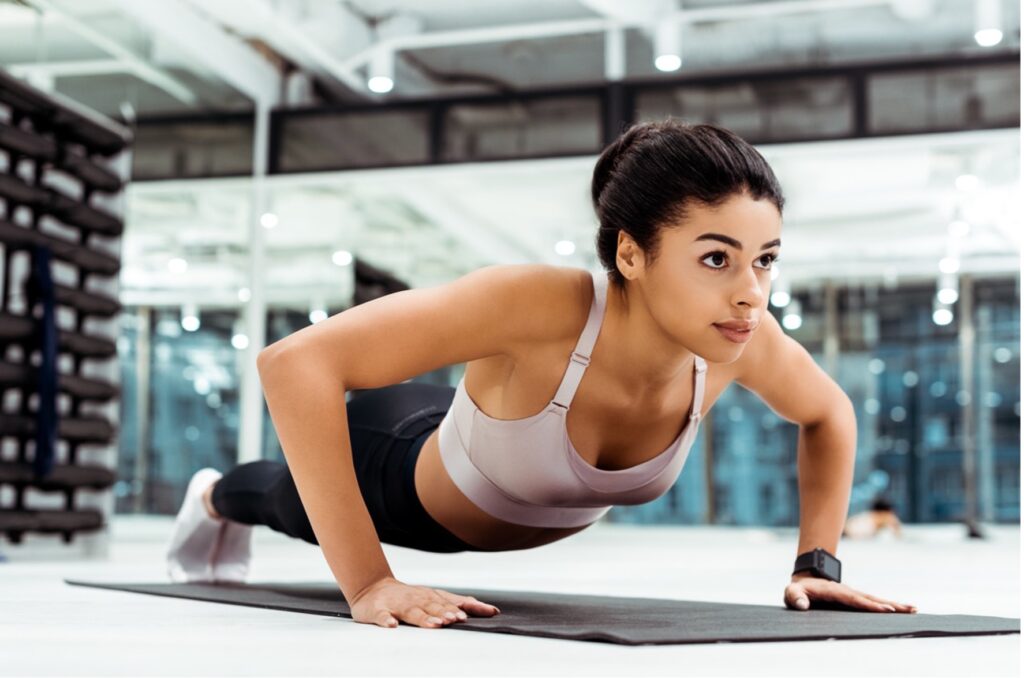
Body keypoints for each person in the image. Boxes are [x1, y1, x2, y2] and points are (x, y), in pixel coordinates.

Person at [166, 119, 916, 630]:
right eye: (716, 258)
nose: (751, 290)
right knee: (273, 495)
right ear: (630, 254)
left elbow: (829, 414)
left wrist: (817, 562)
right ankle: (211, 496)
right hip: (395, 466)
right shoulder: (540, 303)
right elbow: (293, 362)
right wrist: (368, 582)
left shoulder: (740, 339)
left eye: (766, 260)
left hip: (474, 439)